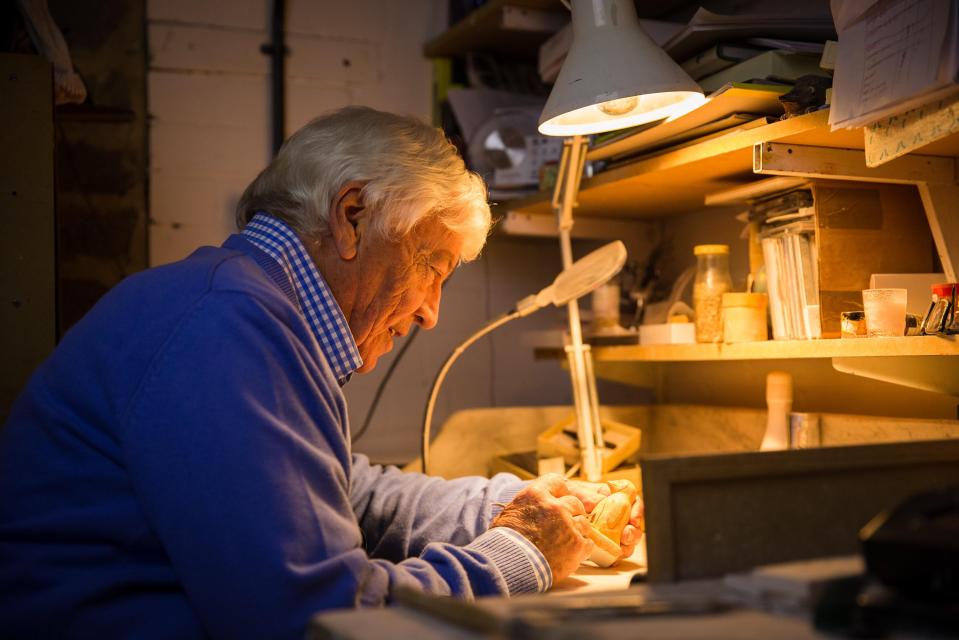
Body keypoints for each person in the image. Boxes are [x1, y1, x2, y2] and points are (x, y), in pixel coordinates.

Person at [0, 106, 642, 639]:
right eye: (432, 268)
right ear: (352, 216)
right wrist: (516, 557)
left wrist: (501, 508)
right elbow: (319, 618)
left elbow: (341, 491)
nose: (430, 314)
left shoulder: (238, 305)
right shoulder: (228, 325)